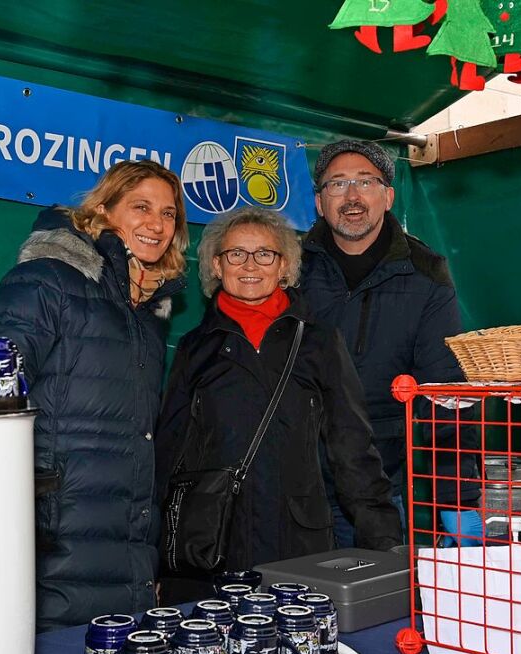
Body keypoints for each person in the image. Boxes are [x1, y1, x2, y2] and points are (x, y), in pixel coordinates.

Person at [0, 160, 188, 632]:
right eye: (141, 207)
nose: (157, 224)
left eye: (169, 214)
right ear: (103, 210)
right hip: (56, 536)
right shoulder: (48, 280)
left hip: (127, 539)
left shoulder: (148, 311)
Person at [155, 207, 402, 603]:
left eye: (264, 254)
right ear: (217, 265)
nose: (250, 265)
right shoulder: (194, 349)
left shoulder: (319, 342)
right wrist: (158, 556)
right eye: (236, 253)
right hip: (212, 548)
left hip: (299, 545)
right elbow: (169, 455)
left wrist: (386, 550)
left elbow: (354, 449)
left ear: (283, 265)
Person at [299, 139, 480, 547]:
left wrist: (459, 500)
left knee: (382, 608)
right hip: (294, 485)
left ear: (388, 196)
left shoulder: (426, 274)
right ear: (318, 201)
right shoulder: (289, 268)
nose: (352, 196)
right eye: (337, 184)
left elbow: (445, 393)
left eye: (366, 182)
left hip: (378, 487)